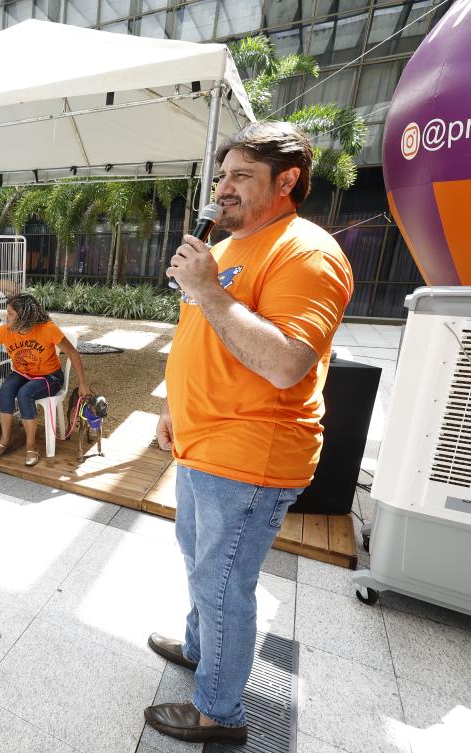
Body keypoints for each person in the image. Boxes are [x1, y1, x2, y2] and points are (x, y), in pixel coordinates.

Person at [145, 122, 353, 745]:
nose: (223, 188)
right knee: (201, 566)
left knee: (224, 583)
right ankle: (199, 650)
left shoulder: (305, 252)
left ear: (287, 181)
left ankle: (219, 712)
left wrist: (206, 288)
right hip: (202, 444)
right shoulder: (230, 245)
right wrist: (174, 406)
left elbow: (288, 361)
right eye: (223, 174)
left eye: (241, 176)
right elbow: (202, 335)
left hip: (250, 456)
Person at [0, 293, 90, 466]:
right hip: (23, 373)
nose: (6, 317)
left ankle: (31, 445)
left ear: (24, 317)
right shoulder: (5, 331)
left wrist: (83, 384)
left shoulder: (47, 328)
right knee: (6, 390)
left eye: (10, 314)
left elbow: (72, 353)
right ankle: (6, 439)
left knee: (25, 393)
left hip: (50, 377)